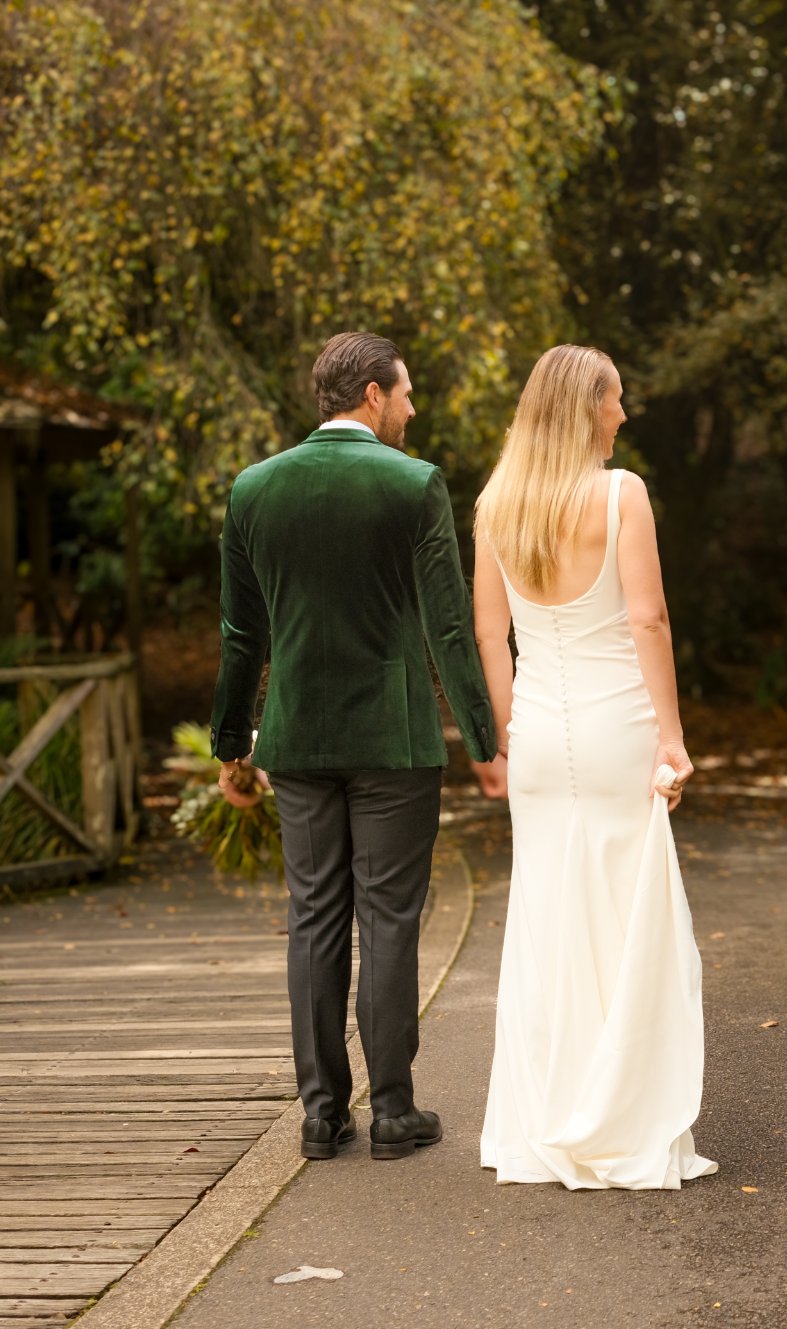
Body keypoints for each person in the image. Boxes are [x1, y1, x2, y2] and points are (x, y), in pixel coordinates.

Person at [210, 332, 496, 1163]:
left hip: (296, 740)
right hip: (393, 740)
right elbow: (448, 625)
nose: (412, 407)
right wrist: (485, 738)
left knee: (314, 917)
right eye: (405, 393)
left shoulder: (255, 489)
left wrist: (233, 741)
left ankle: (321, 1112)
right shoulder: (414, 486)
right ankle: (394, 1109)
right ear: (372, 393)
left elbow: (240, 632)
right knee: (390, 917)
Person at [471, 344, 715, 1189]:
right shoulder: (621, 494)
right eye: (616, 398)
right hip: (617, 727)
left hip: (538, 730)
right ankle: (624, 1117)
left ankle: (544, 1118)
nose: (624, 412)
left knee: (547, 918)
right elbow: (647, 619)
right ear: (587, 407)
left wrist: (503, 736)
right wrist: (673, 736)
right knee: (628, 917)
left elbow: (487, 636)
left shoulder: (496, 502)